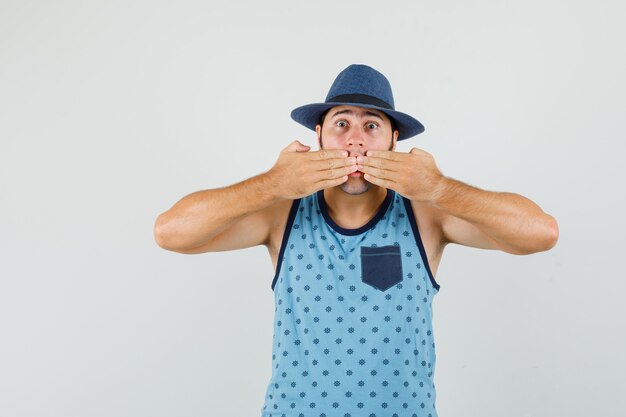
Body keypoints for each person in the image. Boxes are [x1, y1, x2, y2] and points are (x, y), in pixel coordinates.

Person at [153, 64, 559, 417]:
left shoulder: (426, 213)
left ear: (393, 142)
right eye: (341, 124)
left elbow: (541, 233)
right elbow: (170, 232)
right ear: (319, 137)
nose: (355, 140)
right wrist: (272, 183)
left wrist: (439, 188)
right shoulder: (281, 213)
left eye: (372, 126)